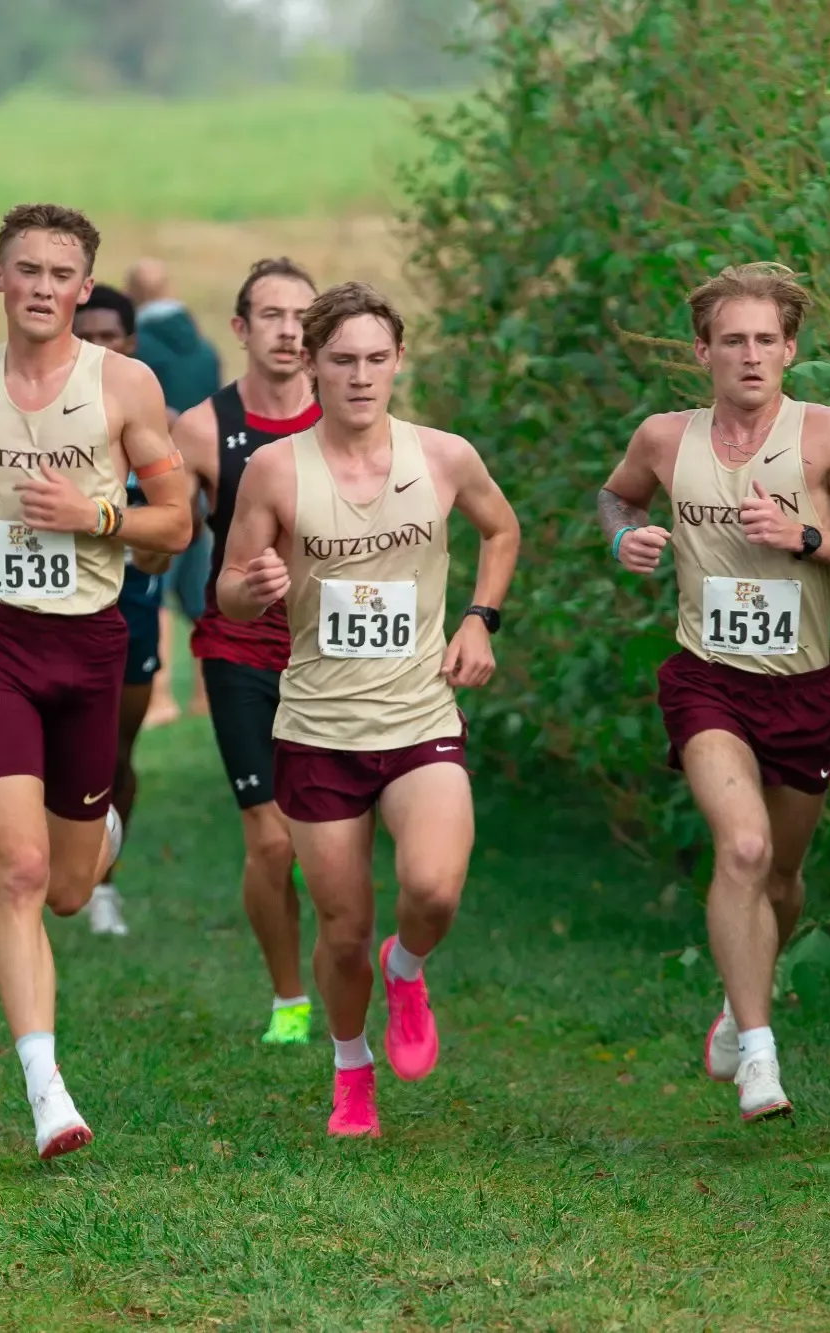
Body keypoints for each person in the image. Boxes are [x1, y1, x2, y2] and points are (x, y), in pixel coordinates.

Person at [0, 203, 190, 1161]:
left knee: (68, 888)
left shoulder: (126, 384)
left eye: (61, 273)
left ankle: (99, 835)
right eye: (26, 268)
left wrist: (94, 511)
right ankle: (46, 1088)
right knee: (19, 871)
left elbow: (176, 523)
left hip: (88, 647)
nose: (41, 286)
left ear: (83, 286)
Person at [596, 263, 830, 1121]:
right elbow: (614, 498)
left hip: (802, 688)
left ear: (791, 349)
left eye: (767, 339)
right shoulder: (665, 437)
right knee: (741, 849)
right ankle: (761, 1060)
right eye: (733, 339)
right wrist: (626, 537)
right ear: (703, 351)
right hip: (707, 682)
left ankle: (738, 1005)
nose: (751, 354)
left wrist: (807, 536)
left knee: (782, 878)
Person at [216, 282, 520, 1138]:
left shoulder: (445, 457)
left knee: (432, 886)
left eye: (376, 359)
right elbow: (232, 592)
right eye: (341, 360)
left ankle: (410, 965)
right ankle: (352, 1070)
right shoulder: (275, 470)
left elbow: (503, 530)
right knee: (342, 928)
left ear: (397, 363)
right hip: (317, 730)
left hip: (420, 717)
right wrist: (255, 584)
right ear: (310, 363)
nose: (360, 376)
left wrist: (478, 618)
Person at [179, 256, 322, 1042]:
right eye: (271, 314)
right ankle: (289, 997)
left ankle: (347, 972)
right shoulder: (203, 427)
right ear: (241, 328)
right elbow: (168, 527)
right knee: (270, 839)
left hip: (333, 654)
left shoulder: (350, 413)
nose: (289, 329)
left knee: (329, 840)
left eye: (303, 314)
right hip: (238, 649)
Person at [71, 284, 168, 937]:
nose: (101, 348)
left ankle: (104, 881)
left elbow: (174, 525)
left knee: (116, 757)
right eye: (90, 336)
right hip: (56, 609)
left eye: (112, 337)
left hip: (131, 610)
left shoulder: (154, 424)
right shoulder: (44, 424)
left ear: (130, 343)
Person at [126, 258, 223, 727]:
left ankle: (160, 695)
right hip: (203, 478)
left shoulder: (138, 349)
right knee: (198, 594)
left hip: (157, 481)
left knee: (156, 589)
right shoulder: (205, 349)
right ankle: (206, 697)